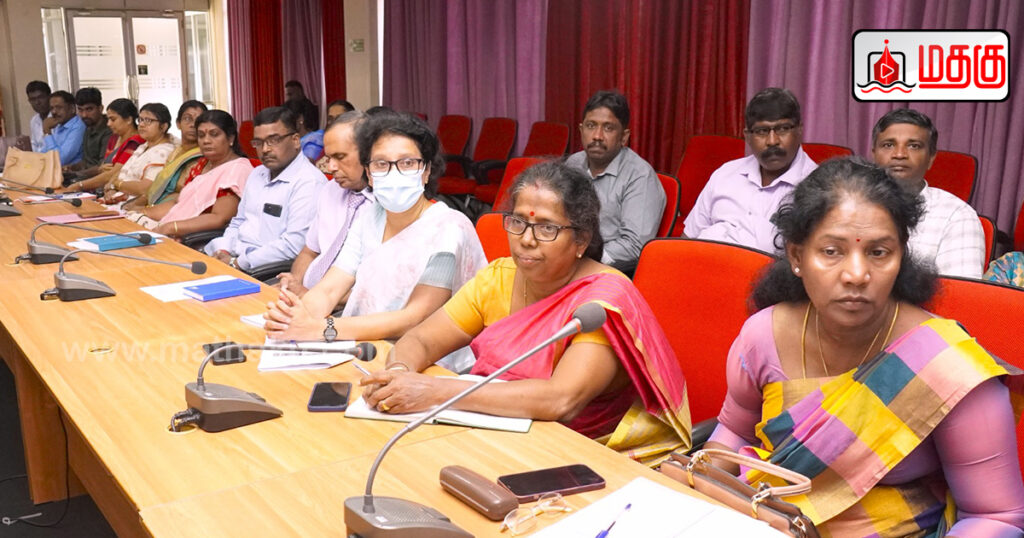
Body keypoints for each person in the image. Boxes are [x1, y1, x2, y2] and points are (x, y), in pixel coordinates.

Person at [706, 158, 1024, 536]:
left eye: (878, 253)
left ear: (901, 256)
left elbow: (996, 516)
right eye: (831, 251)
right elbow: (735, 433)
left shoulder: (948, 367)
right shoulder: (762, 336)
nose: (857, 275)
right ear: (797, 257)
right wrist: (692, 499)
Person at [353, 161, 691, 465]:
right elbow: (422, 340)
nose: (526, 240)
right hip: (491, 435)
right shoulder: (498, 277)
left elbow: (561, 400)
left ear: (581, 240)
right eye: (518, 222)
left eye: (546, 228)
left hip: (583, 457)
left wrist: (434, 392)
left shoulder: (602, 302)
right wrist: (397, 376)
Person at [264, 113, 487, 373]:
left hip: (429, 363)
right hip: (363, 345)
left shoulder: (449, 228)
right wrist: (295, 317)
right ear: (368, 173)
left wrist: (322, 328)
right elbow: (330, 289)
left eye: (407, 163)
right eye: (381, 164)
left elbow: (414, 317)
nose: (394, 173)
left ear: (426, 171)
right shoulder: (370, 217)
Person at [683, 87, 817, 253]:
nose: (772, 141)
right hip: (706, 263)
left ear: (799, 129)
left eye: (782, 129)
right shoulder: (725, 174)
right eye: (762, 131)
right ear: (747, 136)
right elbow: (687, 240)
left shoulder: (818, 187)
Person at [203, 106, 323, 271]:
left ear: (296, 140)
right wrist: (223, 250)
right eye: (258, 143)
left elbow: (293, 246)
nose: (265, 149)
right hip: (233, 258)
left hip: (264, 270)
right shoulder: (257, 173)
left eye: (274, 140)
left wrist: (237, 263)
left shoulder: (309, 182)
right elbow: (238, 221)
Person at [871, 108, 985, 278]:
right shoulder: (847, 204)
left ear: (931, 158)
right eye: (888, 145)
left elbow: (959, 293)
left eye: (913, 146)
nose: (899, 154)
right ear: (873, 154)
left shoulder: (956, 215)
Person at [276, 111, 374, 296]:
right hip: (308, 295)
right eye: (329, 158)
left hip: (344, 306)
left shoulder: (388, 207)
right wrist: (293, 283)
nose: (330, 167)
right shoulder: (330, 190)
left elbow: (376, 291)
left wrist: (311, 296)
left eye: (340, 157)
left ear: (369, 153)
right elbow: (309, 251)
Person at [565, 90, 664, 274]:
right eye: (591, 126)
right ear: (581, 130)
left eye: (608, 128)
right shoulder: (573, 164)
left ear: (624, 137)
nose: (597, 136)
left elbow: (634, 244)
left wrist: (581, 260)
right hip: (566, 256)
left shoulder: (640, 176)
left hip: (607, 269)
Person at [126, 109, 253, 237]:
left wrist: (171, 227)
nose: (206, 140)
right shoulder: (202, 164)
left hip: (198, 240)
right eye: (201, 135)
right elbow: (179, 204)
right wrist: (143, 213)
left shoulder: (237, 169)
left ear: (231, 138)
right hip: (172, 229)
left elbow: (220, 218)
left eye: (214, 134)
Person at [123, 100, 208, 211]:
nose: (193, 125)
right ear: (178, 123)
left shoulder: (205, 156)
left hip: (179, 209)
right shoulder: (176, 152)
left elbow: (188, 195)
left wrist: (146, 210)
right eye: (187, 119)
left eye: (199, 120)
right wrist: (135, 205)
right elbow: (158, 187)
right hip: (156, 206)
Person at [94, 103, 177, 204]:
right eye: (140, 120)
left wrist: (116, 184)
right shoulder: (144, 146)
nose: (141, 124)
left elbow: (144, 189)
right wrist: (112, 188)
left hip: (134, 205)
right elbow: (120, 172)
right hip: (118, 200)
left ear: (163, 126)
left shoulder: (163, 152)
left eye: (148, 120)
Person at [62, 99, 144, 193]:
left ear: (129, 120)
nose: (108, 124)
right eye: (108, 119)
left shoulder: (135, 142)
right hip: (102, 189)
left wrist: (79, 185)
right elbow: (103, 167)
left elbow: (112, 174)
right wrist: (101, 169)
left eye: (113, 119)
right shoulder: (114, 138)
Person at [66, 87, 111, 176]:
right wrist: (71, 167)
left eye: (89, 109)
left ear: (100, 108)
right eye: (80, 110)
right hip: (85, 177)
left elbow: (102, 167)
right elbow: (87, 161)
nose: (84, 115)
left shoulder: (109, 130)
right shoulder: (88, 127)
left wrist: (76, 174)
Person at [40, 90, 86, 166]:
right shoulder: (59, 125)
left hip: (71, 172)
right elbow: (44, 153)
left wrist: (47, 132)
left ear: (72, 109)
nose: (54, 112)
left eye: (58, 107)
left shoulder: (78, 126)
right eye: (51, 108)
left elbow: (60, 160)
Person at [23, 80, 50, 152]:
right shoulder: (34, 120)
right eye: (33, 99)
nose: (37, 102)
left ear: (49, 97)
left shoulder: (58, 119)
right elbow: (34, 145)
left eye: (41, 97)